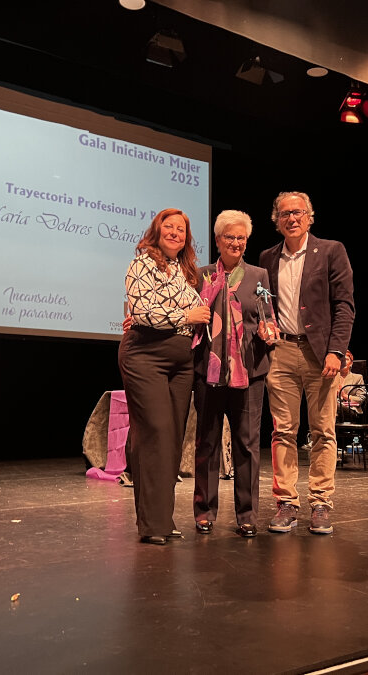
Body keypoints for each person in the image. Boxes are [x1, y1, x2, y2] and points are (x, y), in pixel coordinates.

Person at [259, 191, 354, 535]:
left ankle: (321, 503)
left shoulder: (331, 251)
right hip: (281, 352)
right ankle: (287, 502)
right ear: (277, 220)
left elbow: (344, 306)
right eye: (284, 214)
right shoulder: (267, 258)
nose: (292, 218)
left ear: (310, 216)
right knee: (283, 430)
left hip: (321, 353)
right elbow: (263, 307)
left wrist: (337, 350)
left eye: (298, 212)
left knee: (322, 432)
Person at [117, 208, 210, 545]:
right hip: (145, 356)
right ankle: (151, 524)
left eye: (181, 229)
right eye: (168, 227)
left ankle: (163, 518)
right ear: (156, 231)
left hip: (181, 361)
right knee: (154, 432)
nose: (174, 233)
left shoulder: (188, 272)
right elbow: (140, 311)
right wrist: (187, 314)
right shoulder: (141, 263)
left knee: (171, 438)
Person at [192, 210, 272, 538]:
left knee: (247, 445)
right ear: (218, 240)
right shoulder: (201, 275)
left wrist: (270, 329)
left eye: (241, 238)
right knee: (207, 442)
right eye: (230, 237)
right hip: (207, 371)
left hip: (249, 372)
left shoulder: (258, 275)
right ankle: (204, 511)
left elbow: (268, 316)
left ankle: (247, 514)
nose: (236, 243)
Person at [337, 350, 367, 423]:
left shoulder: (357, 378)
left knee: (334, 406)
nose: (343, 362)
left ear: (351, 363)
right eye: (341, 360)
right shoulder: (332, 378)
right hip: (333, 410)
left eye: (346, 359)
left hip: (351, 410)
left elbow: (360, 399)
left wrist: (344, 396)